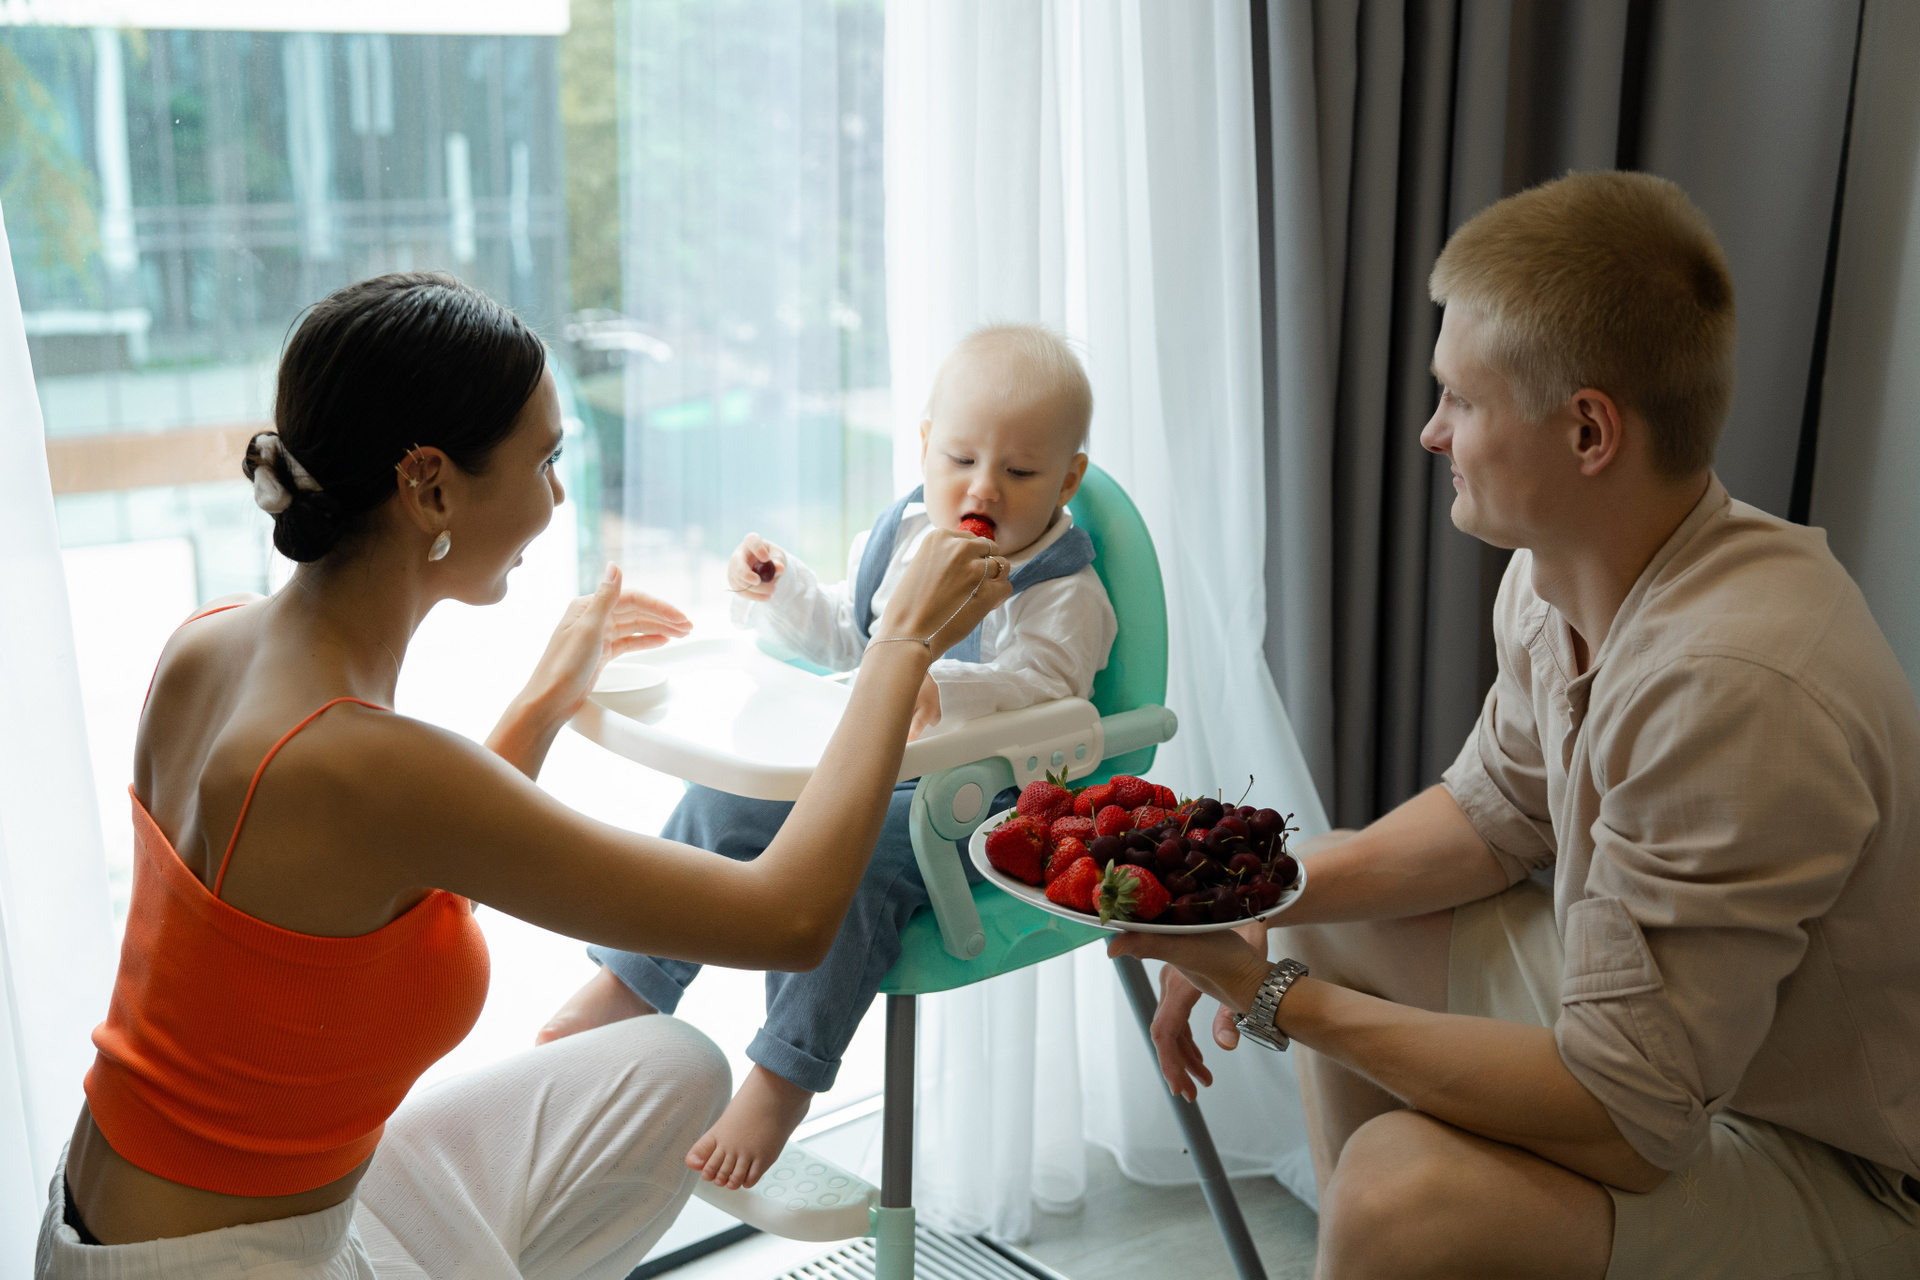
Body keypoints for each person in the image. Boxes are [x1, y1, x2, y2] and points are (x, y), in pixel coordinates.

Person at [39, 272, 1010, 1280]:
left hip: (133, 1219)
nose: (557, 496)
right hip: (224, 1265)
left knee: (671, 1069)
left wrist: (545, 700)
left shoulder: (206, 646)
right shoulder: (361, 764)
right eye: (545, 460)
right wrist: (901, 646)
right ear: (430, 486)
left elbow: (380, 870)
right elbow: (789, 917)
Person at [1119, 171, 1920, 1279]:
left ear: (1588, 430)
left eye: (1461, 398)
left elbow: (1628, 1119)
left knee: (1399, 1191)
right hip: (1695, 1043)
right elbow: (1495, 811)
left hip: (1841, 1162)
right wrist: (1246, 898)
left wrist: (1269, 999)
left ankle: (1389, 1243)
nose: (1430, 431)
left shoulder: (1729, 686)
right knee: (1318, 903)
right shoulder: (1558, 578)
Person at [539, 323, 1118, 1191]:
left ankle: (783, 1075)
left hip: (976, 809)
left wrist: (942, 684)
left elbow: (1050, 691)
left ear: (1067, 479)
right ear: (925, 445)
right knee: (716, 804)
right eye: (961, 458)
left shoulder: (1064, 589)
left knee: (851, 868)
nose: (983, 488)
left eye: (1022, 472)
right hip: (863, 773)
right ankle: (633, 979)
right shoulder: (907, 535)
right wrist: (785, 592)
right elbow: (849, 639)